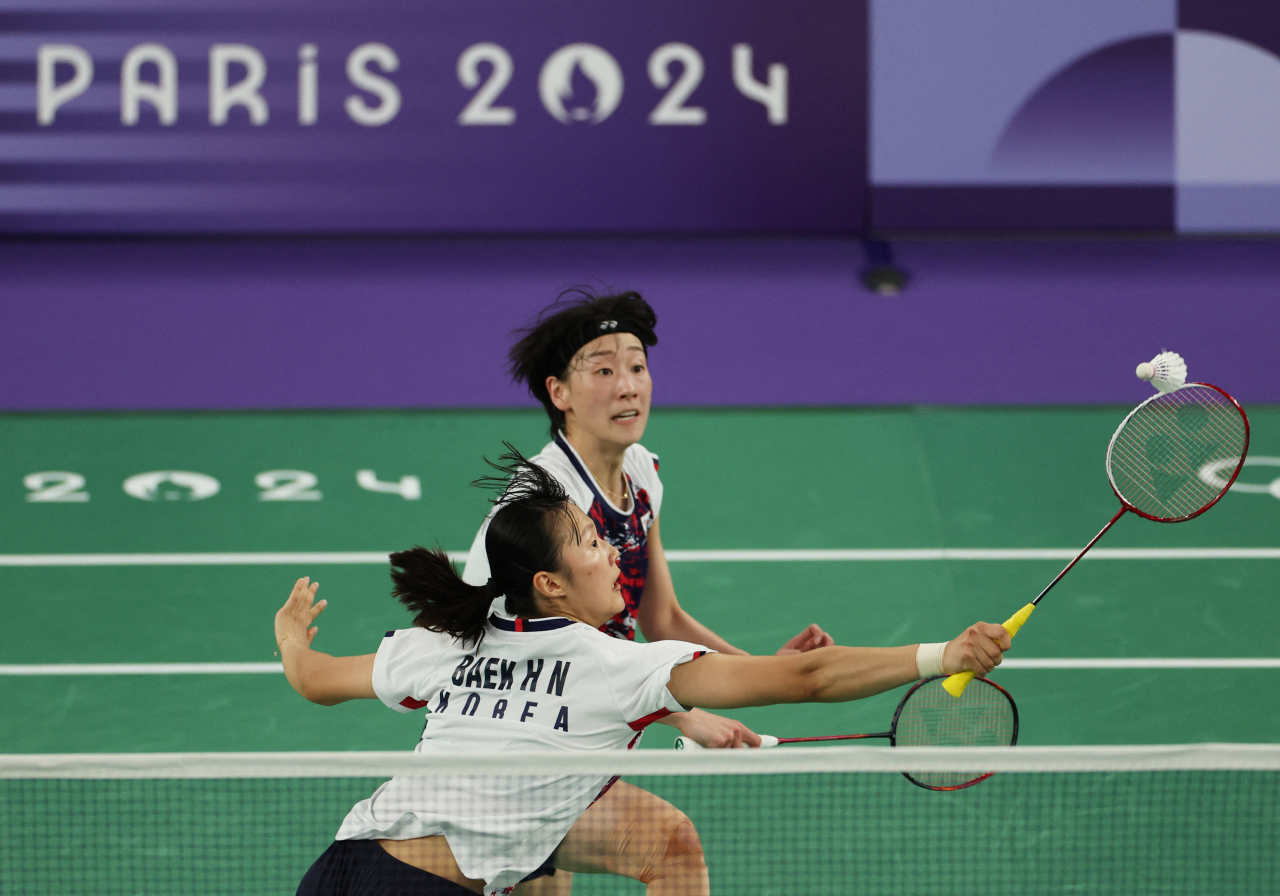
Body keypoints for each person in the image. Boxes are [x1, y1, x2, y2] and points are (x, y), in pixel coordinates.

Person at [276, 452, 1011, 896]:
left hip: (341, 870)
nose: (610, 554)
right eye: (592, 543)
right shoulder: (619, 668)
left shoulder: (446, 644)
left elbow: (313, 679)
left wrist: (289, 638)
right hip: (419, 889)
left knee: (659, 843)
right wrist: (940, 656)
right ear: (550, 584)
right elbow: (810, 679)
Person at [462, 290, 834, 752]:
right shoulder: (541, 501)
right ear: (559, 392)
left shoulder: (640, 471)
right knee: (669, 831)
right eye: (603, 371)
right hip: (522, 722)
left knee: (670, 831)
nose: (628, 386)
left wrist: (764, 669)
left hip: (594, 717)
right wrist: (684, 716)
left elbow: (662, 618)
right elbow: (494, 634)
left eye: (637, 367)